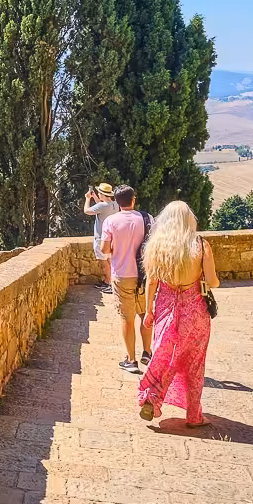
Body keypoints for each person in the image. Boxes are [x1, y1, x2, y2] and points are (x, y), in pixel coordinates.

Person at [136, 200, 219, 427]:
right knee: (194, 362)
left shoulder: (156, 247)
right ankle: (194, 416)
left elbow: (151, 282)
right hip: (195, 313)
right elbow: (213, 282)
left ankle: (151, 398)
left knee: (164, 355)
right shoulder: (201, 246)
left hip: (165, 309)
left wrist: (149, 311)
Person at [99, 185, 151, 373]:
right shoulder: (147, 219)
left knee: (127, 318)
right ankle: (147, 352)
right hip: (144, 275)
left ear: (116, 201)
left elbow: (104, 250)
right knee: (145, 314)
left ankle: (131, 360)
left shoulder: (111, 222)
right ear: (133, 199)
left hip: (122, 274)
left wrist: (117, 249)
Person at [82, 183, 118, 294]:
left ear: (102, 194)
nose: (98, 194)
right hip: (112, 238)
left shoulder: (103, 206)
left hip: (101, 238)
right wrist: (95, 198)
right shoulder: (114, 204)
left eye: (99, 193)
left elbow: (87, 211)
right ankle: (110, 282)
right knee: (110, 261)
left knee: (103, 262)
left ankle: (109, 283)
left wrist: (88, 199)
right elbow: (102, 206)